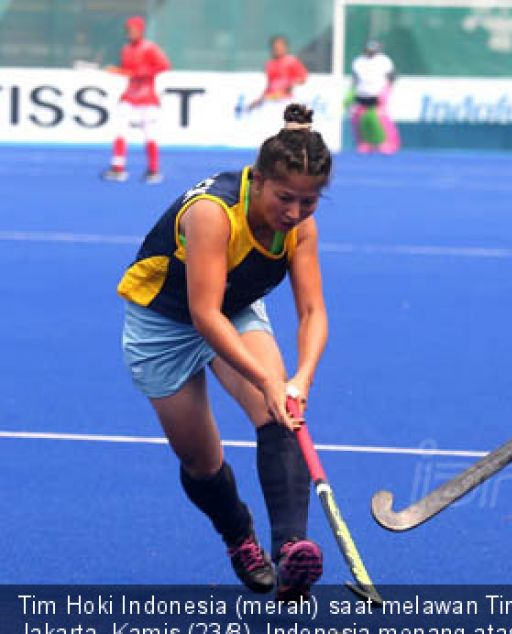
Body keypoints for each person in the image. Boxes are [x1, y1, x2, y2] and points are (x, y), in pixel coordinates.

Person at [117, 104, 332, 599]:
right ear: (257, 180)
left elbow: (312, 313)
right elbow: (203, 315)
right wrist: (269, 379)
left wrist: (298, 381)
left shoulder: (300, 225)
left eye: (309, 202)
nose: (295, 213)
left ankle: (291, 549)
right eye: (285, 198)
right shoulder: (213, 214)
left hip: (234, 306)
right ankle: (238, 535)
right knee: (202, 462)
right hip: (165, 323)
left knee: (282, 414)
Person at [101, 15, 170, 184]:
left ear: (140, 30)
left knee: (149, 134)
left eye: (133, 29)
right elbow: (128, 71)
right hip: (130, 97)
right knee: (120, 129)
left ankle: (153, 170)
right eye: (128, 30)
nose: (130, 33)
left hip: (147, 98)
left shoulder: (150, 48)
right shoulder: (126, 49)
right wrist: (117, 71)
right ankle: (118, 167)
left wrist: (141, 72)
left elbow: (164, 65)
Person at [350, 40, 400, 154]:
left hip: (378, 94)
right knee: (359, 119)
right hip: (362, 94)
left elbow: (392, 77)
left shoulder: (384, 61)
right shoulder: (359, 61)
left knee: (381, 119)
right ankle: (364, 143)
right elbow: (355, 79)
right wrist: (353, 92)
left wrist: (386, 91)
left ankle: (389, 143)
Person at [246, 36, 309, 113]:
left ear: (286, 47)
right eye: (275, 47)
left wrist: (292, 84)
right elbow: (269, 86)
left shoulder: (291, 61)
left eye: (281, 46)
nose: (278, 49)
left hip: (287, 101)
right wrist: (259, 100)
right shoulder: (270, 64)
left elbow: (303, 78)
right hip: (272, 101)